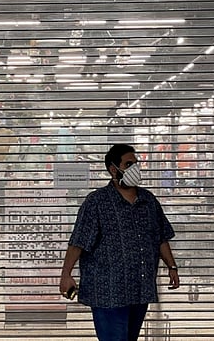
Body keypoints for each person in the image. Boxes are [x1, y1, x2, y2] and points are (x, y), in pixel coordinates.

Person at [60, 144, 180, 341]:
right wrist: (66, 275)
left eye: (136, 163)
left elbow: (160, 237)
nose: (135, 168)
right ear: (113, 169)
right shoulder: (97, 202)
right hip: (109, 293)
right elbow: (78, 242)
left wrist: (172, 266)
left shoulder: (148, 200)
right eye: (129, 164)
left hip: (140, 289)